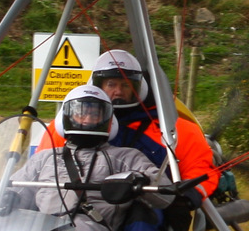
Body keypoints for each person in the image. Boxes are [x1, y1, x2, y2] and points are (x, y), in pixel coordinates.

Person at [20, 84, 172, 231]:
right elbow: (13, 188)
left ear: (108, 120)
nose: (88, 118)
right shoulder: (45, 158)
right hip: (43, 223)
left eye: (95, 113)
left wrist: (140, 181)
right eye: (82, 111)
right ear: (67, 116)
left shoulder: (125, 157)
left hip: (90, 224)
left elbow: (165, 193)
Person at [89, 49, 219, 200]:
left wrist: (189, 196)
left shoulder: (175, 128)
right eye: (111, 84)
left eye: (126, 85)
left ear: (138, 88)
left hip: (148, 205)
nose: (118, 91)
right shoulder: (78, 123)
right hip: (90, 204)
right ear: (98, 86)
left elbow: (200, 170)